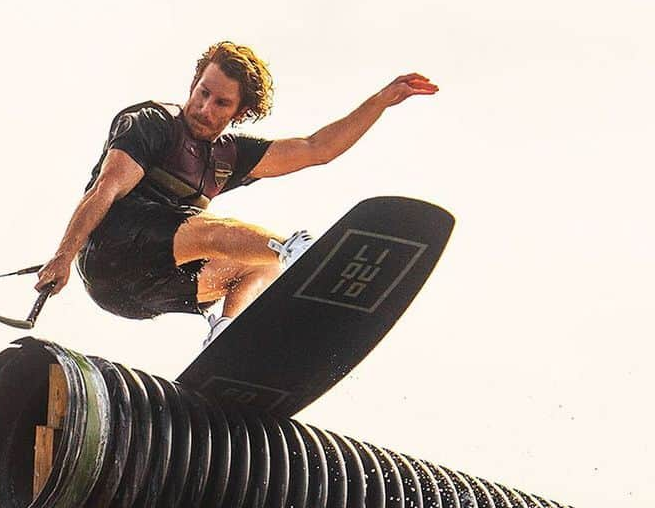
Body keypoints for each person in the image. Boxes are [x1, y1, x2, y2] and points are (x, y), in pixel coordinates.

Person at [36, 42, 437, 345]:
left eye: (221, 102)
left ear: (239, 113)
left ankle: (225, 334)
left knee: (260, 265)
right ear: (194, 84)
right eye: (202, 92)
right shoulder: (152, 122)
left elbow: (317, 149)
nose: (205, 107)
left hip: (142, 295)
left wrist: (381, 101)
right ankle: (296, 251)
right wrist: (63, 257)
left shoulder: (230, 155)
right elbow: (105, 189)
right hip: (109, 255)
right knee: (216, 231)